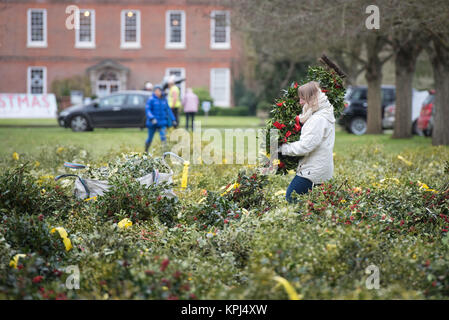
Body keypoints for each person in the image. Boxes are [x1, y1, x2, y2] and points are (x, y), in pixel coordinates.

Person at [279, 81, 336, 203]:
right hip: (320, 168)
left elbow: (306, 146)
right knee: (314, 205)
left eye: (302, 98)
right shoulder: (320, 113)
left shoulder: (318, 119)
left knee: (292, 197)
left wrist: (282, 149)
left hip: (313, 170)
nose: (300, 102)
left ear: (312, 98)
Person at [144, 86, 177, 153]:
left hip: (162, 123)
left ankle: (165, 152)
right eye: (156, 91)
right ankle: (146, 150)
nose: (157, 92)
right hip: (152, 123)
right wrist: (152, 118)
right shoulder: (151, 99)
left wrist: (173, 119)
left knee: (164, 138)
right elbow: (148, 110)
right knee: (150, 138)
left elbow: (168, 110)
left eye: (159, 91)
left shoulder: (164, 100)